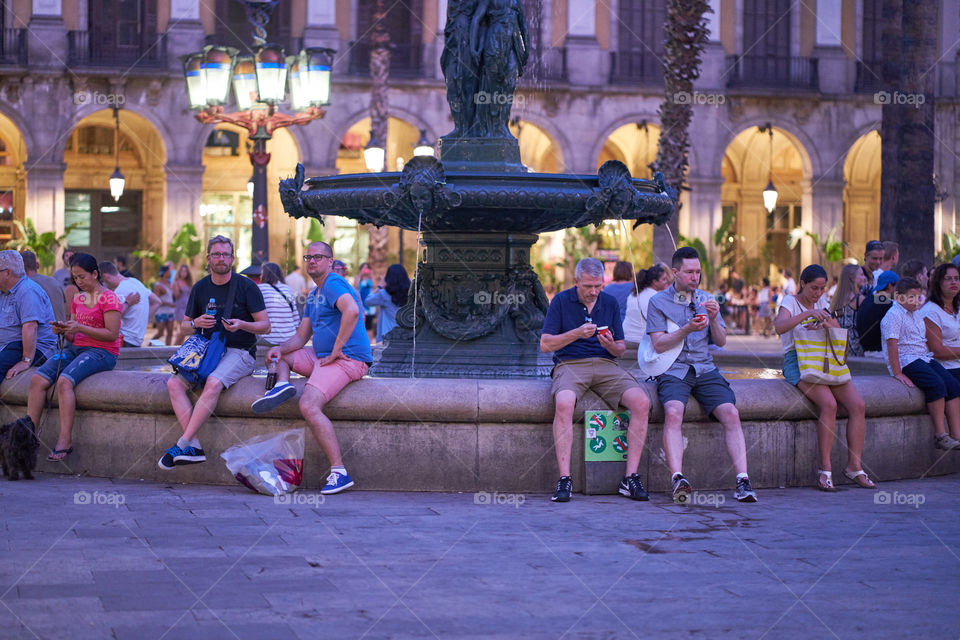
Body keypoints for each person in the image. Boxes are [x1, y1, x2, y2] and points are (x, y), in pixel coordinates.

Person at [250, 242, 373, 495]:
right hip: (323, 356)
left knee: (308, 404)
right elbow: (299, 338)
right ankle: (282, 387)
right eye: (308, 257)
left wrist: (338, 349)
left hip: (348, 359)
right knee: (284, 355)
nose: (312, 261)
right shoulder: (314, 293)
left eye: (318, 257)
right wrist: (279, 349)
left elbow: (352, 311)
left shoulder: (333, 283)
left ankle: (339, 472)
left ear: (330, 261)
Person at [646, 247, 758, 503]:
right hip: (674, 369)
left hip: (705, 368)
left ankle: (742, 479)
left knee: (731, 412)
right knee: (674, 411)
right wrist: (687, 328)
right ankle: (678, 478)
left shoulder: (708, 298)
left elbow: (721, 342)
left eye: (698, 272)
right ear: (675, 273)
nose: (695, 277)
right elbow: (658, 345)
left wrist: (715, 319)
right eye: (689, 272)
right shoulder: (658, 302)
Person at [540, 257, 651, 502]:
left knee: (642, 402)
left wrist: (611, 345)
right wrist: (576, 334)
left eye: (598, 286)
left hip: (605, 364)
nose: (593, 292)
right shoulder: (560, 301)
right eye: (588, 286)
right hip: (570, 364)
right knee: (564, 403)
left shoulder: (609, 302)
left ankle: (630, 477)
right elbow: (546, 344)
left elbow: (621, 349)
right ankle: (565, 479)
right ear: (576, 281)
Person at [160, 235, 270, 470]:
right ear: (208, 258)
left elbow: (265, 325)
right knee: (173, 384)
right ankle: (194, 446)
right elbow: (183, 326)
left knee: (212, 382)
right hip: (207, 351)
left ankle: (182, 443)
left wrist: (242, 324)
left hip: (240, 351)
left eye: (226, 254)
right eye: (217, 254)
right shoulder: (200, 287)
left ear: (233, 258)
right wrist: (196, 322)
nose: (221, 258)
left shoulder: (247, 286)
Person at [774, 264, 874, 490]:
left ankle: (854, 466)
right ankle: (825, 469)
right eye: (813, 288)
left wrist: (829, 323)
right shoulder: (790, 302)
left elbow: (839, 336)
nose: (818, 294)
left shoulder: (823, 303)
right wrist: (807, 314)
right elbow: (779, 327)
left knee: (858, 405)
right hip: (798, 359)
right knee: (828, 404)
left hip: (823, 358)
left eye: (821, 289)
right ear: (802, 284)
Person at [26, 253, 121, 462]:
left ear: (95, 274)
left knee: (64, 381)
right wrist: (62, 329)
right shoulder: (78, 298)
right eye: (75, 278)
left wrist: (80, 328)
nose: (79, 282)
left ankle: (65, 440)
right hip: (77, 347)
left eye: (82, 277)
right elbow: (73, 332)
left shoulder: (109, 298)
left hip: (102, 352)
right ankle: (28, 436)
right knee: (37, 379)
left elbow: (112, 334)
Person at [882, 278, 960, 451]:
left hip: (923, 356)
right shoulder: (894, 315)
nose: (916, 301)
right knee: (936, 385)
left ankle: (957, 435)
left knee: (953, 386)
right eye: (911, 297)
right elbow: (891, 345)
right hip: (906, 359)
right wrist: (897, 372)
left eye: (919, 297)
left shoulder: (916, 313)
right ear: (899, 297)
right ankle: (940, 435)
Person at [0, 250, 57, 382]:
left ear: (7, 273)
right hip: (10, 346)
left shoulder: (27, 291)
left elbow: (30, 327)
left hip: (37, 348)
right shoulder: (3, 292)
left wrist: (26, 360)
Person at [921, 263, 960, 394]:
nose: (954, 282)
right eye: (948, 278)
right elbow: (937, 351)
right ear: (938, 282)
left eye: (957, 278)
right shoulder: (931, 312)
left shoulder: (958, 308)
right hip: (947, 369)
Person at [99, 261, 154, 348]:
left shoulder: (119, 291)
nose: (104, 285)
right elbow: (157, 301)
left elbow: (113, 319)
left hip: (125, 339)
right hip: (138, 338)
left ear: (106, 276)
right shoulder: (135, 282)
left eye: (102, 281)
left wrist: (127, 303)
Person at [622, 264, 670, 345]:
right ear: (655, 282)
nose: (667, 282)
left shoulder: (633, 294)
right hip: (643, 341)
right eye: (664, 279)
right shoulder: (656, 298)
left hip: (627, 337)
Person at [364, 263, 411, 343]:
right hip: (406, 335)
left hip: (388, 335)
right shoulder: (410, 294)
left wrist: (380, 286)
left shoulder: (384, 294)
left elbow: (368, 301)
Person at [856, 270, 898, 355]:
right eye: (898, 287)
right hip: (881, 355)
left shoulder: (867, 300)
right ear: (890, 286)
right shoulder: (890, 306)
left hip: (866, 353)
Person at [258, 262, 300, 346]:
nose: (260, 276)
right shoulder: (287, 288)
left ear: (265, 274)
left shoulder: (260, 288)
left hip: (269, 339)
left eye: (261, 273)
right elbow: (296, 318)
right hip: (289, 337)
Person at [829, 263, 866, 357]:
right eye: (861, 275)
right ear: (852, 278)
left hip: (838, 346)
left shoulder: (836, 300)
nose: (864, 277)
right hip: (854, 346)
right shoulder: (859, 299)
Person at [21, 250, 66, 322]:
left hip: (42, 332)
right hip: (61, 330)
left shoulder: (23, 285)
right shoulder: (54, 281)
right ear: (37, 265)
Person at [151, 265, 176, 345]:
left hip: (170, 311)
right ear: (165, 273)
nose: (170, 273)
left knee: (170, 333)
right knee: (160, 333)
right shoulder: (158, 285)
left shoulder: (169, 283)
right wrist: (168, 303)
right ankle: (149, 346)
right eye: (169, 271)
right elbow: (155, 300)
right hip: (161, 312)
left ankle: (168, 350)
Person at [354, 262, 376, 341]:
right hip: (360, 305)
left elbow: (375, 286)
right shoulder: (358, 278)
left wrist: (372, 274)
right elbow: (355, 287)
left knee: (369, 325)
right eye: (364, 267)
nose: (366, 269)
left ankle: (370, 343)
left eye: (367, 268)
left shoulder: (371, 279)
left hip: (370, 307)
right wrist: (360, 274)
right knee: (361, 325)